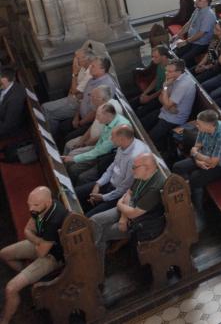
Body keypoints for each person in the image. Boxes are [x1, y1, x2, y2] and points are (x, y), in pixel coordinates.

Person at [0, 186, 68, 323]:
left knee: (10, 288)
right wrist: (36, 238)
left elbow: (41, 252)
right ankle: (29, 278)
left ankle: (4, 321)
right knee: (3, 253)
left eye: (35, 205)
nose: (31, 209)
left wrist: (32, 236)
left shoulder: (54, 220)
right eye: (29, 204)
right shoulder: (40, 206)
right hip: (41, 243)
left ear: (47, 202)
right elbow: (29, 229)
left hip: (52, 257)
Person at [89, 152, 166, 273]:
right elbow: (129, 193)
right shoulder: (142, 176)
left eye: (135, 167)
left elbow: (134, 213)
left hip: (141, 223)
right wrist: (123, 217)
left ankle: (97, 272)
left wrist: (121, 206)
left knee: (101, 233)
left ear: (147, 168)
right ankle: (95, 257)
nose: (132, 170)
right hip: (126, 209)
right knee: (94, 220)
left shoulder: (155, 186)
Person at [171, 110, 221, 224]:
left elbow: (213, 163)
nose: (196, 125)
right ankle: (188, 196)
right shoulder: (203, 128)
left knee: (195, 178)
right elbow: (196, 147)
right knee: (177, 167)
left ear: (210, 125)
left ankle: (199, 211)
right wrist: (197, 160)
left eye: (199, 124)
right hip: (203, 157)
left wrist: (196, 155)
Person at [75, 124, 149, 217]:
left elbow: (125, 187)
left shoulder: (134, 157)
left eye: (113, 137)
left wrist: (103, 197)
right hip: (110, 183)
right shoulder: (123, 144)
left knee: (89, 217)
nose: (110, 139)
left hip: (119, 195)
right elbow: (112, 167)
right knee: (75, 193)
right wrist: (98, 184)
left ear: (122, 139)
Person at [0, 68, 29, 140]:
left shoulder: (15, 99)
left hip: (6, 129)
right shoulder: (4, 86)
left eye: (1, 82)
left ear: (9, 81)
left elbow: (7, 125)